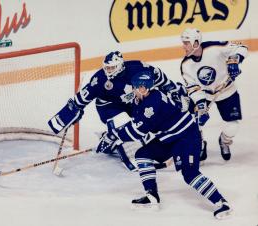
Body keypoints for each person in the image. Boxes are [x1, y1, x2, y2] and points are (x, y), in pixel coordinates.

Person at [95, 70, 232, 219]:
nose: (139, 90)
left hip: (186, 138)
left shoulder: (151, 105)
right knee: (142, 155)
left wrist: (113, 136)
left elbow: (136, 132)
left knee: (190, 174)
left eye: (142, 87)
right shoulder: (142, 99)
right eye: (137, 87)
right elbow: (179, 90)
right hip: (168, 138)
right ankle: (152, 195)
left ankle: (221, 202)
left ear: (148, 88)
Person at [48, 51, 188, 170]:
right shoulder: (99, 79)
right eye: (106, 67)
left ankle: (110, 141)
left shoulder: (136, 67)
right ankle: (131, 155)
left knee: (145, 126)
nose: (108, 71)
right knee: (123, 125)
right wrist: (67, 116)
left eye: (112, 67)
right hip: (109, 107)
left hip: (132, 102)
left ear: (121, 66)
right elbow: (79, 100)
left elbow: (157, 75)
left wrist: (172, 89)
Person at [180, 28, 248, 161]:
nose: (183, 46)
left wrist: (235, 60)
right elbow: (193, 88)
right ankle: (200, 144)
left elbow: (241, 47)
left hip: (227, 90)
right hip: (205, 95)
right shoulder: (186, 65)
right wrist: (201, 106)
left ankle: (224, 141)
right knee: (195, 123)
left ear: (195, 43)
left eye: (186, 42)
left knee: (233, 126)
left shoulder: (215, 47)